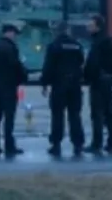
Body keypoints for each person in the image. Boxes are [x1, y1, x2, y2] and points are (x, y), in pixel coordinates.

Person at [41, 21, 86, 157]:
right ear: (67, 30)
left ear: (57, 31)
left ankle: (56, 144)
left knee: (57, 115)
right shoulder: (77, 45)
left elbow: (48, 66)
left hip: (59, 85)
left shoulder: (54, 46)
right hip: (75, 85)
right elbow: (81, 62)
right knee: (75, 115)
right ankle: (78, 144)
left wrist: (44, 84)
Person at [0, 23, 28, 157]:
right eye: (15, 34)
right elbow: (16, 65)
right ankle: (9, 145)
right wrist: (23, 77)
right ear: (9, 33)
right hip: (9, 86)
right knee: (9, 117)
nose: (15, 37)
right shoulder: (10, 48)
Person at [83, 14, 112, 154]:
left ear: (97, 26)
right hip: (108, 81)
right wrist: (110, 74)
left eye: (90, 25)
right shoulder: (109, 41)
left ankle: (97, 143)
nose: (88, 27)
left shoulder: (97, 43)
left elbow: (92, 63)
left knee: (97, 114)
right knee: (109, 112)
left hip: (98, 82)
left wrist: (87, 77)